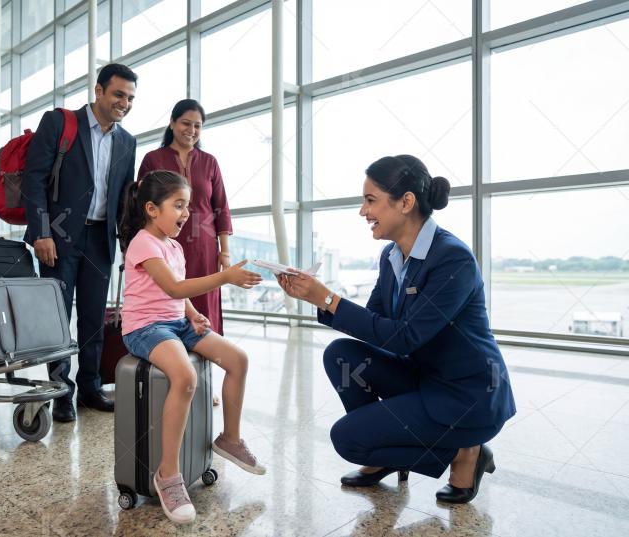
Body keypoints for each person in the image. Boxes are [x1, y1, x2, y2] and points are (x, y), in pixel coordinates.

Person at [278, 155, 516, 504]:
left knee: (349, 440)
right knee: (341, 355)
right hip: (425, 377)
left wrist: (328, 298)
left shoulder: (453, 259)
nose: (363, 211)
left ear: (406, 202)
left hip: (465, 394)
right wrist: (316, 297)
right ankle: (386, 453)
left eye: (370, 200)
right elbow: (375, 321)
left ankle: (467, 452)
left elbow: (405, 336)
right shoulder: (392, 256)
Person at [119, 170, 266, 524]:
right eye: (178, 205)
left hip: (177, 323)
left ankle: (230, 439)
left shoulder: (173, 245)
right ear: (152, 209)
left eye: (187, 205)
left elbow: (179, 292)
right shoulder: (143, 243)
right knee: (185, 376)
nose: (186, 213)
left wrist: (196, 314)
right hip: (145, 328)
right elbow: (171, 288)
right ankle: (167, 474)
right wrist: (225, 277)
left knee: (238, 359)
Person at [23, 63, 138, 422]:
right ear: (99, 91)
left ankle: (90, 388)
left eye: (131, 98)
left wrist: (126, 244)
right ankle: (61, 392)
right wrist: (41, 231)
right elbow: (34, 180)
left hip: (100, 239)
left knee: (92, 318)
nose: (125, 102)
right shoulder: (59, 123)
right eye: (119, 94)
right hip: (59, 237)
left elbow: (124, 200)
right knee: (57, 315)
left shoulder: (126, 141)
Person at [137, 99, 232, 337]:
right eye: (185, 123)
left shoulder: (210, 162)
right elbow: (141, 204)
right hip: (164, 245)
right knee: (170, 300)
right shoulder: (153, 159)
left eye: (197, 126)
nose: (191, 130)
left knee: (204, 301)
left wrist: (225, 251)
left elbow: (221, 206)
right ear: (171, 123)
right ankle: (171, 360)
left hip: (204, 247)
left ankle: (206, 364)